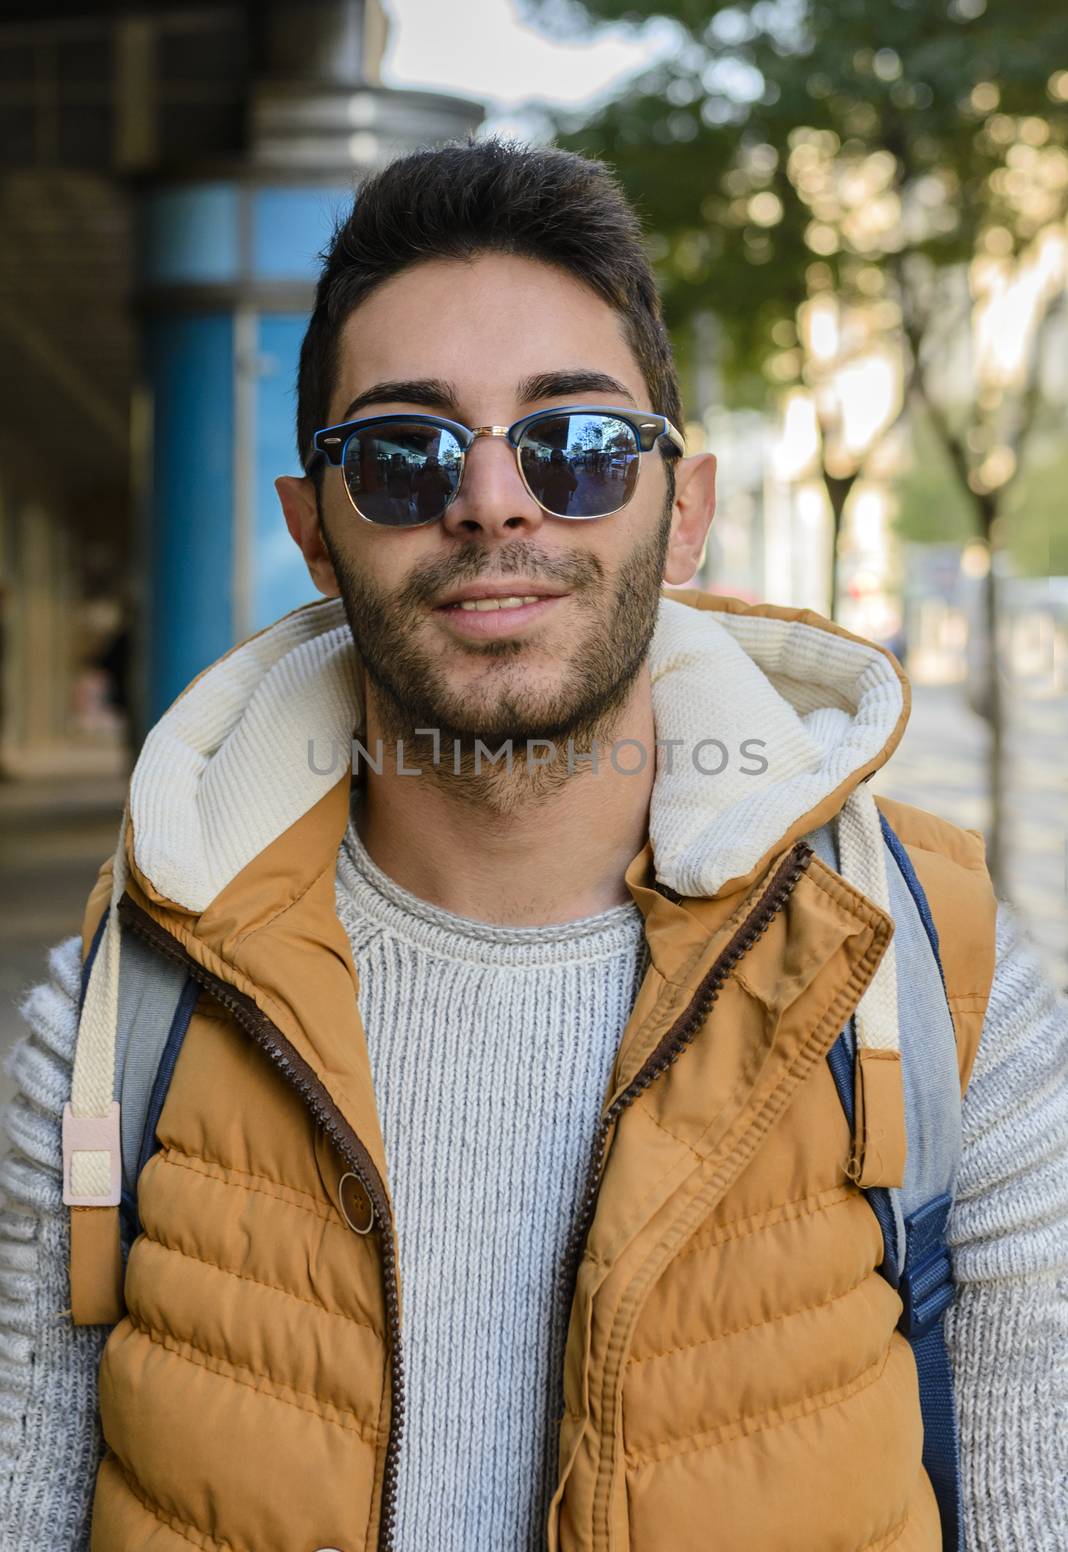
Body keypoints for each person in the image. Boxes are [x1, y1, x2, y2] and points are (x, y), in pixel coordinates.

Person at [0, 138, 1065, 1552]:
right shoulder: (106, 1024)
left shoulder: (941, 987)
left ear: (682, 511)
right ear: (314, 532)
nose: (493, 501)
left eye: (574, 444)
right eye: (402, 453)